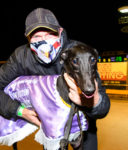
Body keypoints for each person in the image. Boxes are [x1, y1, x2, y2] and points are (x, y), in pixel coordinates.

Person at [0, 8, 110, 150]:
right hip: (51, 123)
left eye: (50, 34)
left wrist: (90, 101)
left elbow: (103, 107)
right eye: (36, 37)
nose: (44, 41)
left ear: (60, 32)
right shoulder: (21, 57)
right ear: (28, 39)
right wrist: (20, 111)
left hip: (82, 124)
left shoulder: (80, 53)